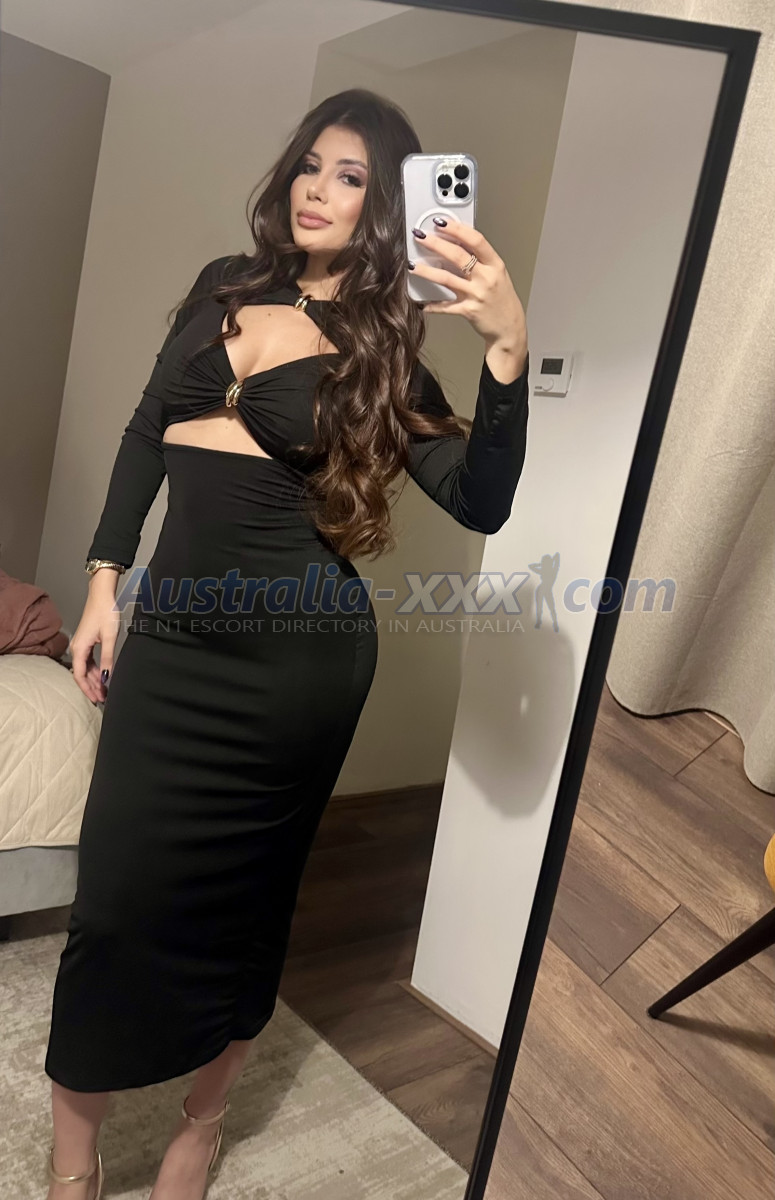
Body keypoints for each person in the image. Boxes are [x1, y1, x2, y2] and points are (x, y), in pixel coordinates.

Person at [42, 88, 529, 1200]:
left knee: (247, 905)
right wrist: (106, 578)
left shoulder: (384, 352)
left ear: (386, 207)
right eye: (311, 164)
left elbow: (481, 499)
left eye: (351, 178)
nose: (317, 189)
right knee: (110, 907)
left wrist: (506, 348)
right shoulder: (223, 284)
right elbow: (146, 430)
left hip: (297, 665)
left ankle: (201, 1124)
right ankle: (74, 1162)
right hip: (172, 644)